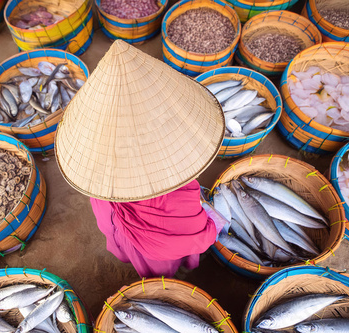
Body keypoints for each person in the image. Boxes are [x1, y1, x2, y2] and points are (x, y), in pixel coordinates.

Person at [55, 40, 226, 278]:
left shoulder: (102, 179)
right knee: (163, 265)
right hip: (159, 253)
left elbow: (108, 224)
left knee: (137, 252)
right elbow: (193, 235)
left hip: (128, 231)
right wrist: (211, 230)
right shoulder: (181, 184)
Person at [89, 180, 228, 277]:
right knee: (166, 261)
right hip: (173, 241)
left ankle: (159, 277)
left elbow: (106, 223)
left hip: (138, 242)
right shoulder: (181, 179)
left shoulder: (104, 184)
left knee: (157, 268)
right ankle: (177, 267)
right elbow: (196, 224)